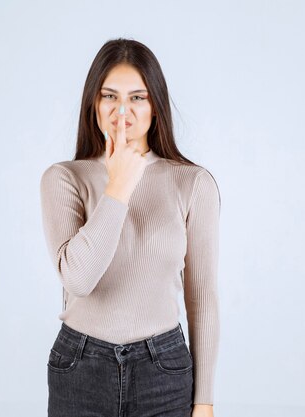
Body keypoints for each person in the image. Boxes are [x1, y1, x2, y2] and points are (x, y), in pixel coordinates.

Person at [40, 38, 221, 417]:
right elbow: (78, 279)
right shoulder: (64, 179)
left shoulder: (193, 183)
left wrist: (203, 400)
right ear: (94, 103)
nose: (123, 110)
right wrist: (118, 186)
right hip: (81, 368)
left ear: (156, 106)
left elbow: (201, 297)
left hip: (163, 370)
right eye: (110, 96)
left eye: (138, 97)